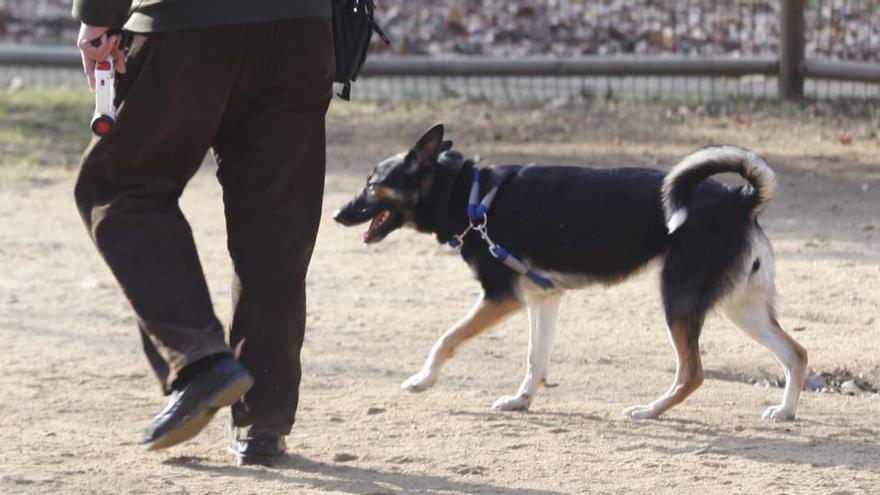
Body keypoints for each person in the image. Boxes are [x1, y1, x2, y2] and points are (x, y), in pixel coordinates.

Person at [72, 0, 334, 466]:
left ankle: (200, 360)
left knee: (121, 187)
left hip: (185, 22)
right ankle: (264, 421)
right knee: (276, 222)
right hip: (303, 29)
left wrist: (98, 14)